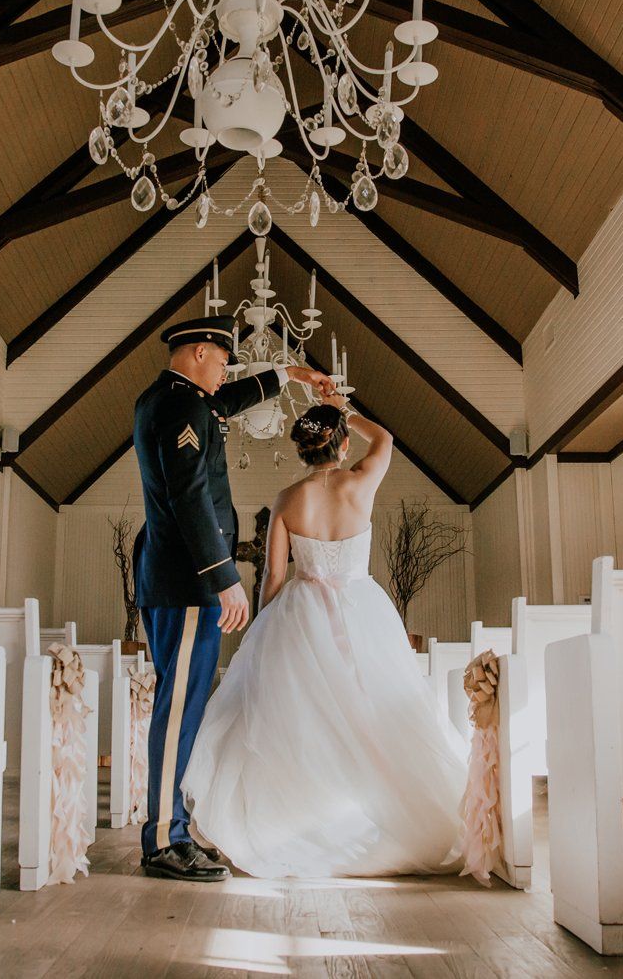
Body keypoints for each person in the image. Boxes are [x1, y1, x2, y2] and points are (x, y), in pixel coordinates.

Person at [183, 388, 468, 878]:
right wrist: (344, 410)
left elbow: (273, 577)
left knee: (298, 720)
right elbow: (386, 438)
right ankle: (373, 816)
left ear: (300, 451)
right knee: (373, 711)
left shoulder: (288, 499)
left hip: (300, 613)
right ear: (341, 446)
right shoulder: (361, 481)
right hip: (364, 612)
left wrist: (264, 630)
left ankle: (301, 820)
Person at [130, 315, 333, 882]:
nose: (225, 373)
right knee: (179, 711)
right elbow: (190, 494)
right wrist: (224, 578)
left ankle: (172, 830)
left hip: (172, 574)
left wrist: (290, 374)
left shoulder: (178, 399)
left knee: (184, 705)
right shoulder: (181, 407)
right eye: (221, 361)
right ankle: (163, 840)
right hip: (188, 579)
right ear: (198, 353)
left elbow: (234, 398)